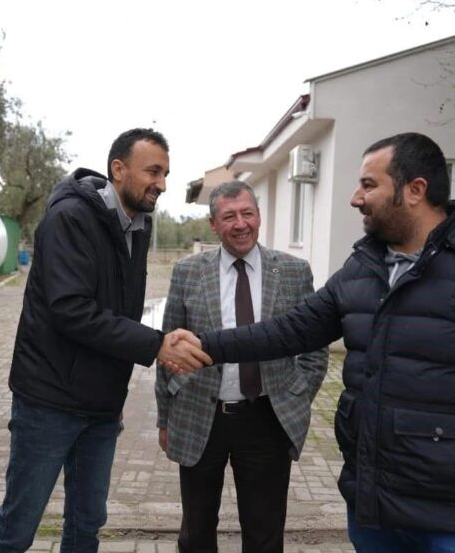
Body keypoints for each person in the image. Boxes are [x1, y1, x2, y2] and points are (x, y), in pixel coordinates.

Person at [173, 133, 455, 552]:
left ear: (415, 190)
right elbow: (288, 332)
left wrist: (295, 396)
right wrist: (203, 344)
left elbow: (307, 352)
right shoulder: (361, 268)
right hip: (374, 497)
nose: (355, 198)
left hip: (442, 505)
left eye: (369, 185)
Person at [0, 128, 211, 553]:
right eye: (153, 171)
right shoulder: (69, 218)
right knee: (17, 529)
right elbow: (72, 310)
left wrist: (154, 345)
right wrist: (156, 345)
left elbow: (119, 312)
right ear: (118, 169)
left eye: (166, 173)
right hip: (48, 402)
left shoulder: (138, 226)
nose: (161, 183)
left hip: (102, 405)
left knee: (86, 526)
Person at [155, 181, 328, 553]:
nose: (240, 223)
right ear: (213, 225)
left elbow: (315, 348)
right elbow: (168, 350)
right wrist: (164, 417)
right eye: (229, 216)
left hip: (267, 418)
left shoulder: (294, 271)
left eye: (247, 213)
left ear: (259, 216)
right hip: (201, 413)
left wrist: (297, 397)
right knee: (196, 532)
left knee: (265, 532)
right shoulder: (188, 272)